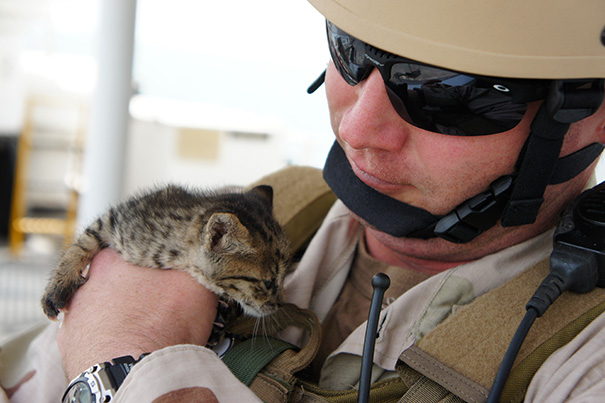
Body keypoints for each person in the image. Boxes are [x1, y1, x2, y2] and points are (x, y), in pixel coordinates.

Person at [2, 0, 605, 401]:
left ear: (590, 118)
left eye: (443, 91)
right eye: (352, 51)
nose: (359, 129)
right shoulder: (266, 209)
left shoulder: (584, 362)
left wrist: (120, 359)